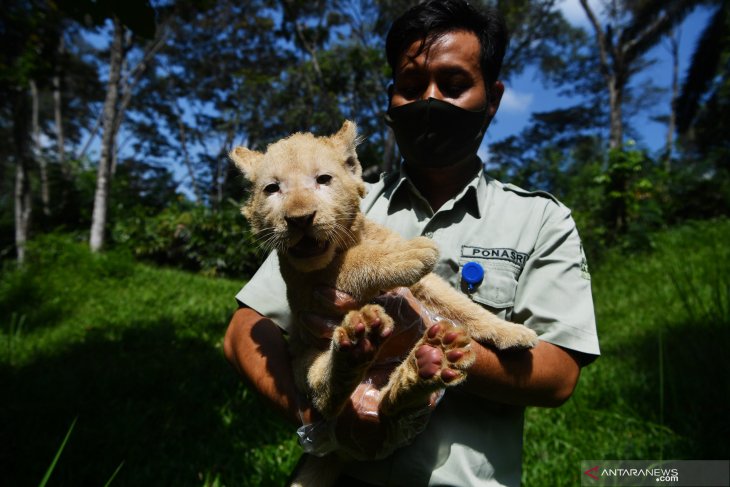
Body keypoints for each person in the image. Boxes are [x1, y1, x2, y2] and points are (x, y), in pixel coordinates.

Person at [224, 1, 600, 485]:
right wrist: (316, 422)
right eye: (410, 86)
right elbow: (243, 331)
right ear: (390, 99)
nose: (429, 99)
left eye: (454, 84)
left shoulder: (539, 219)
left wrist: (429, 332)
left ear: (493, 97)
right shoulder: (343, 203)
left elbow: (559, 375)